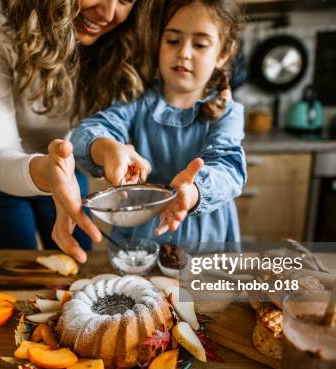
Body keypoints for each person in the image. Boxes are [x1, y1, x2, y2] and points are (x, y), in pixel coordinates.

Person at [0, 0, 165, 263]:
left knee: (75, 261)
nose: (107, 14)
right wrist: (47, 173)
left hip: (64, 158)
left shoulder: (126, 37)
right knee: (16, 272)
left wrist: (109, 144)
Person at [71, 0, 247, 246]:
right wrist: (106, 148)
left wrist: (194, 191)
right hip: (142, 237)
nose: (184, 53)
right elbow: (84, 135)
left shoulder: (228, 113)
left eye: (200, 44)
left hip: (207, 240)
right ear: (158, 43)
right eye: (173, 41)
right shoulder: (135, 101)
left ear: (223, 53)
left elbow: (229, 168)